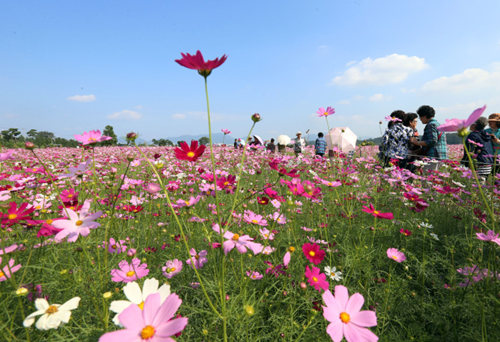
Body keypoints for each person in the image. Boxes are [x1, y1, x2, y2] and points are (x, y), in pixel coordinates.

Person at [411, 105, 447, 170]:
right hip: (441, 155)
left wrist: (416, 142)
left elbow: (432, 141)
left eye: (420, 117)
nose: (420, 119)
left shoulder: (431, 125)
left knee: (429, 176)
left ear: (424, 116)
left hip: (433, 156)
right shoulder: (439, 124)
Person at [461, 117, 494, 181]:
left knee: (476, 185)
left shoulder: (473, 135)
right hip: (488, 163)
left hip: (478, 164)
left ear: (474, 125)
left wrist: (464, 162)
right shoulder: (486, 134)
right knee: (482, 184)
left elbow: (469, 151)